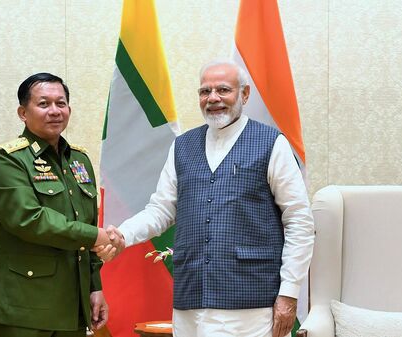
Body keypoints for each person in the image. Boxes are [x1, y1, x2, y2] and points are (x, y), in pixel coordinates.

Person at [97, 60, 315, 337]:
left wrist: (289, 293)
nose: (213, 98)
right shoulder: (183, 146)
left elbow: (299, 221)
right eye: (205, 91)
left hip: (249, 303)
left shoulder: (271, 143)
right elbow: (161, 210)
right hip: (191, 301)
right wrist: (123, 235)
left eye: (223, 90)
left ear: (244, 95)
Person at [0, 72, 112, 337]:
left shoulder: (79, 160)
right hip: (26, 306)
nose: (55, 111)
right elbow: (30, 220)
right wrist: (95, 236)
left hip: (73, 303)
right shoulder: (8, 160)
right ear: (23, 112)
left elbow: (87, 222)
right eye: (43, 104)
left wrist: (95, 287)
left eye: (61, 103)